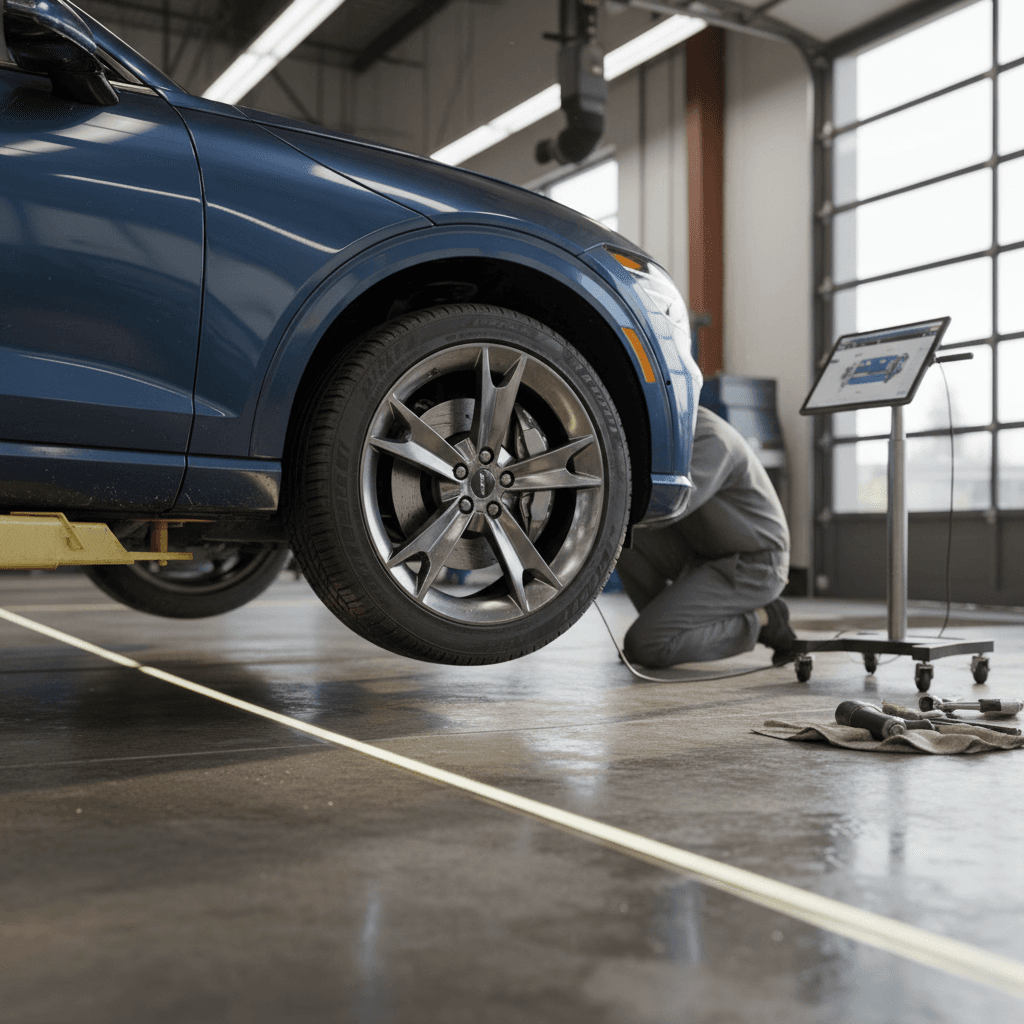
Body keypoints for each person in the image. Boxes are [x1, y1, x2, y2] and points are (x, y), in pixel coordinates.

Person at [616, 405, 797, 669]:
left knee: (645, 646)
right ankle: (660, 625)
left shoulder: (711, 438)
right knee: (624, 536)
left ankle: (765, 619)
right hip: (704, 552)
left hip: (752, 566)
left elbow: (671, 506)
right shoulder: (673, 432)